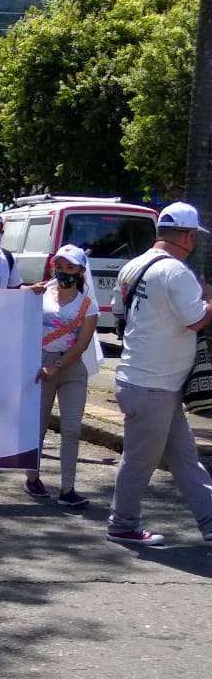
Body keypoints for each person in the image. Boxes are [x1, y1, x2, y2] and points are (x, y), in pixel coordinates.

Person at [104, 202, 212, 547]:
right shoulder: (176, 272)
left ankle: (210, 520)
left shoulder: (133, 266)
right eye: (194, 235)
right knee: (140, 460)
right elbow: (196, 319)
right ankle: (122, 522)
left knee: (185, 458)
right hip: (153, 385)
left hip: (147, 381)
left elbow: (118, 311)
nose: (194, 242)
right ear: (186, 235)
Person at [25, 244, 97, 507]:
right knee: (39, 425)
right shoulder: (42, 293)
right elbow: (14, 302)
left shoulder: (87, 305)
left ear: (80, 271)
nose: (64, 271)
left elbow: (81, 344)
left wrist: (58, 366)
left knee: (71, 428)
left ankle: (68, 488)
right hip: (39, 363)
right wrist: (28, 290)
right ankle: (32, 477)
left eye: (70, 267)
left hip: (71, 367)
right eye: (60, 266)